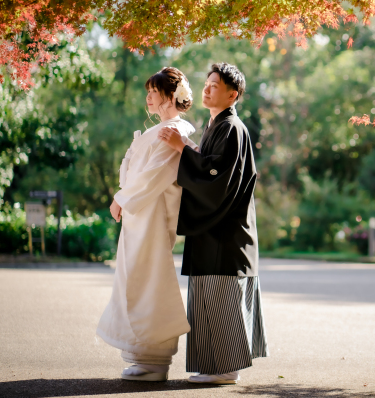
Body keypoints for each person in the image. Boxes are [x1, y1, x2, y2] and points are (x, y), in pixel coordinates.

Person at [158, 62, 268, 385]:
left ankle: (225, 368)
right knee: (208, 296)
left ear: (233, 95)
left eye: (215, 85)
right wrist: (189, 148)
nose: (207, 88)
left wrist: (182, 148)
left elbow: (215, 176)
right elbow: (207, 165)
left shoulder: (233, 128)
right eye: (206, 83)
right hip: (214, 230)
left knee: (220, 296)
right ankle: (214, 366)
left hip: (227, 233)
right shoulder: (215, 127)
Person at [97, 67, 197, 382]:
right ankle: (141, 356)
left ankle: (155, 359)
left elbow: (155, 176)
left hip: (152, 214)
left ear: (170, 94)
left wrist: (122, 199)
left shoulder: (177, 130)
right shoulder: (159, 130)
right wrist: (124, 194)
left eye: (153, 91)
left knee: (151, 277)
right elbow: (135, 171)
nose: (148, 97)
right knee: (134, 279)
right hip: (140, 215)